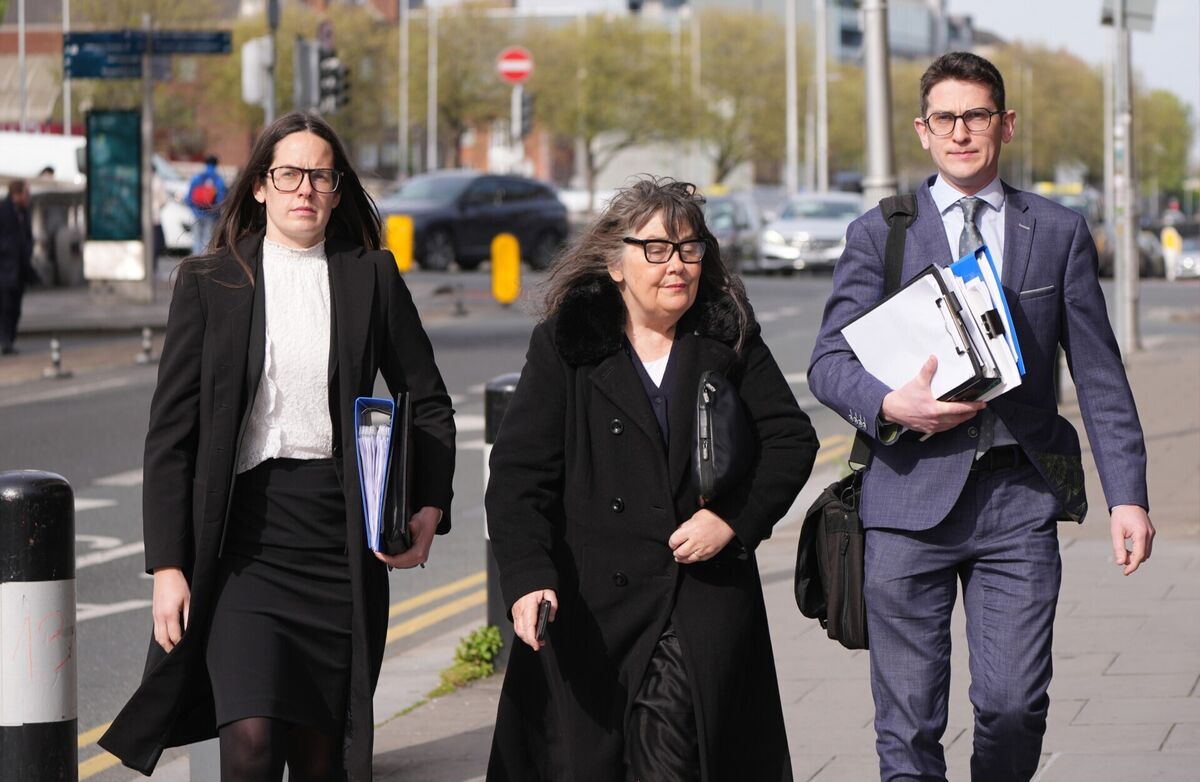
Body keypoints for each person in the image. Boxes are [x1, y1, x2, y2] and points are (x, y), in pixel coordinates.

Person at [808, 52, 1155, 781]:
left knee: (1013, 705)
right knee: (907, 725)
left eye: (977, 115)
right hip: (905, 501)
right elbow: (828, 363)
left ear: (1005, 124)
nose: (962, 131)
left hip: (1018, 500)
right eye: (946, 118)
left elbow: (1098, 375)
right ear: (923, 131)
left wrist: (1129, 496)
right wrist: (889, 404)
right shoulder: (882, 234)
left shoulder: (1056, 231)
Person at [98, 111, 457, 781]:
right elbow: (171, 435)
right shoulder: (210, 281)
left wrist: (429, 507)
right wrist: (168, 567)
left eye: (321, 176)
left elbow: (430, 401)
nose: (305, 189)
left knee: (322, 759)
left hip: (335, 542)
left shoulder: (370, 277)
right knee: (253, 740)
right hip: (241, 546)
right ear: (260, 186)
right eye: (288, 173)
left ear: (338, 190)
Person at [485, 177, 819, 781]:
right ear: (616, 262)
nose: (678, 266)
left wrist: (731, 519)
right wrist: (528, 578)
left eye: (691, 250)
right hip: (591, 609)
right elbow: (518, 475)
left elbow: (791, 441)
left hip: (697, 603)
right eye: (658, 250)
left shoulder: (728, 335)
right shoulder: (568, 345)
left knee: (670, 761)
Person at [0, 179, 35, 355]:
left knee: (15, 308)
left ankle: (9, 341)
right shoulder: (3, 210)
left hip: (20, 269)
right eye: (26, 193)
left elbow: (28, 237)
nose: (29, 197)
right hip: (5, 268)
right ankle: (5, 341)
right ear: (17, 194)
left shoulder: (25, 212)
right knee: (5, 307)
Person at [187, 153, 228, 255]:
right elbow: (221, 199)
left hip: (197, 213)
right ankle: (204, 263)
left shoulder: (197, 178)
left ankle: (195, 260)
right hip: (212, 215)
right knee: (208, 239)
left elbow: (188, 198)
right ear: (216, 164)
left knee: (196, 239)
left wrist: (194, 210)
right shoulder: (218, 180)